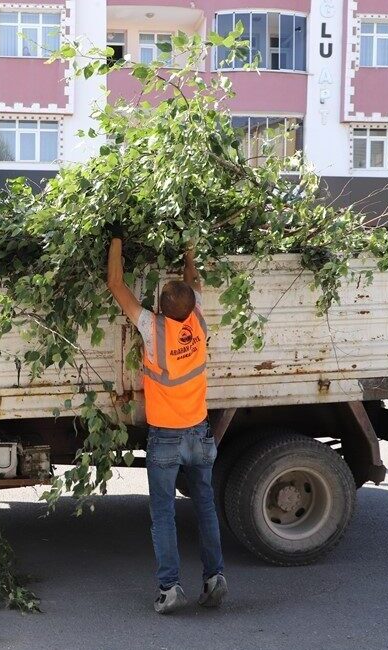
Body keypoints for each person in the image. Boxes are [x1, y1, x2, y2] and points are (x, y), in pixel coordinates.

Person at [106, 237, 227, 614]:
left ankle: (170, 588)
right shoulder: (199, 320)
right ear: (191, 305)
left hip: (166, 440)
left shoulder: (153, 330)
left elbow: (116, 286)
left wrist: (115, 242)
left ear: (159, 308)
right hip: (200, 433)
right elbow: (194, 281)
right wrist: (189, 252)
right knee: (205, 506)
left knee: (163, 514)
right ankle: (215, 578)